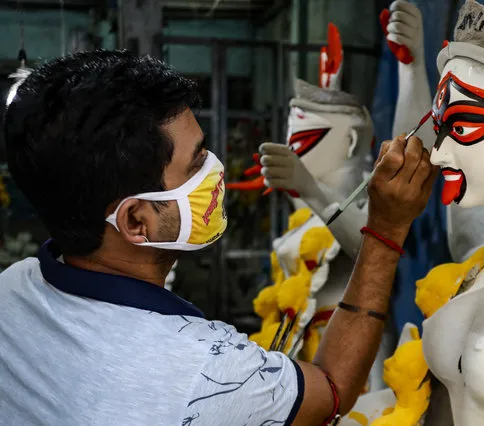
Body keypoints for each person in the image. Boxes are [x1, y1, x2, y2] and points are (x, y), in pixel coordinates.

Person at [0, 50, 437, 426]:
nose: (215, 168)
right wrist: (386, 230)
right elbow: (332, 391)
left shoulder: (13, 289)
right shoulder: (208, 374)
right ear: (136, 221)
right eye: (194, 166)